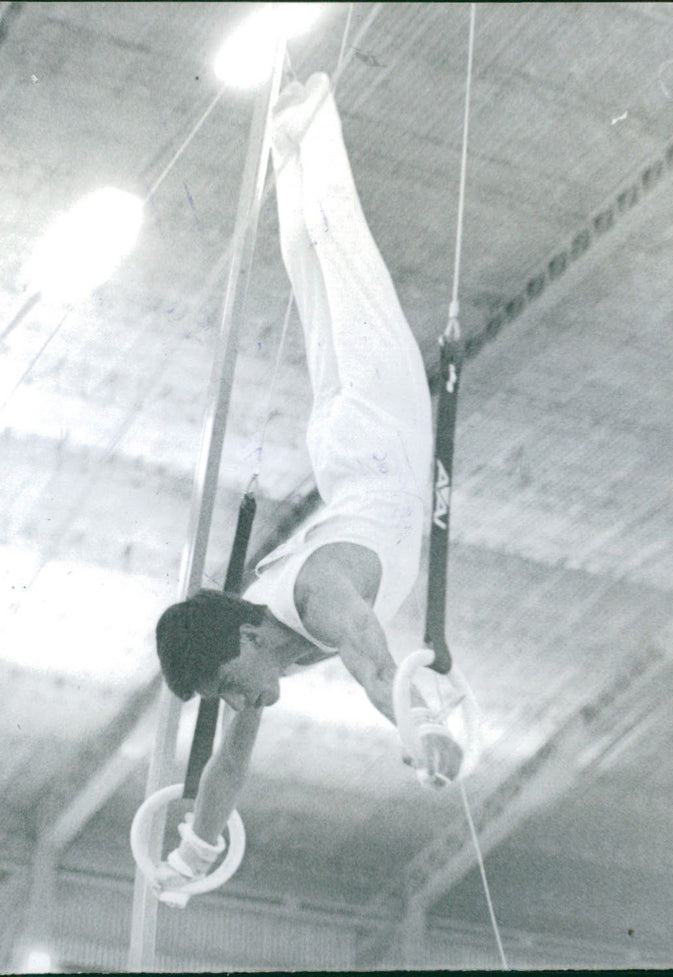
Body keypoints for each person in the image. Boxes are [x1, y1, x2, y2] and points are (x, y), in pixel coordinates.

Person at [153, 73, 463, 891]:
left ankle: (312, 115)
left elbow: (374, 662)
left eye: (226, 683)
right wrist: (191, 857)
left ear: (249, 640)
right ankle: (292, 143)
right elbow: (224, 772)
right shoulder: (266, 657)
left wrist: (419, 731)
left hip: (381, 432)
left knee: (341, 254)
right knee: (310, 268)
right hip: (347, 451)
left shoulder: (321, 597)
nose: (235, 700)